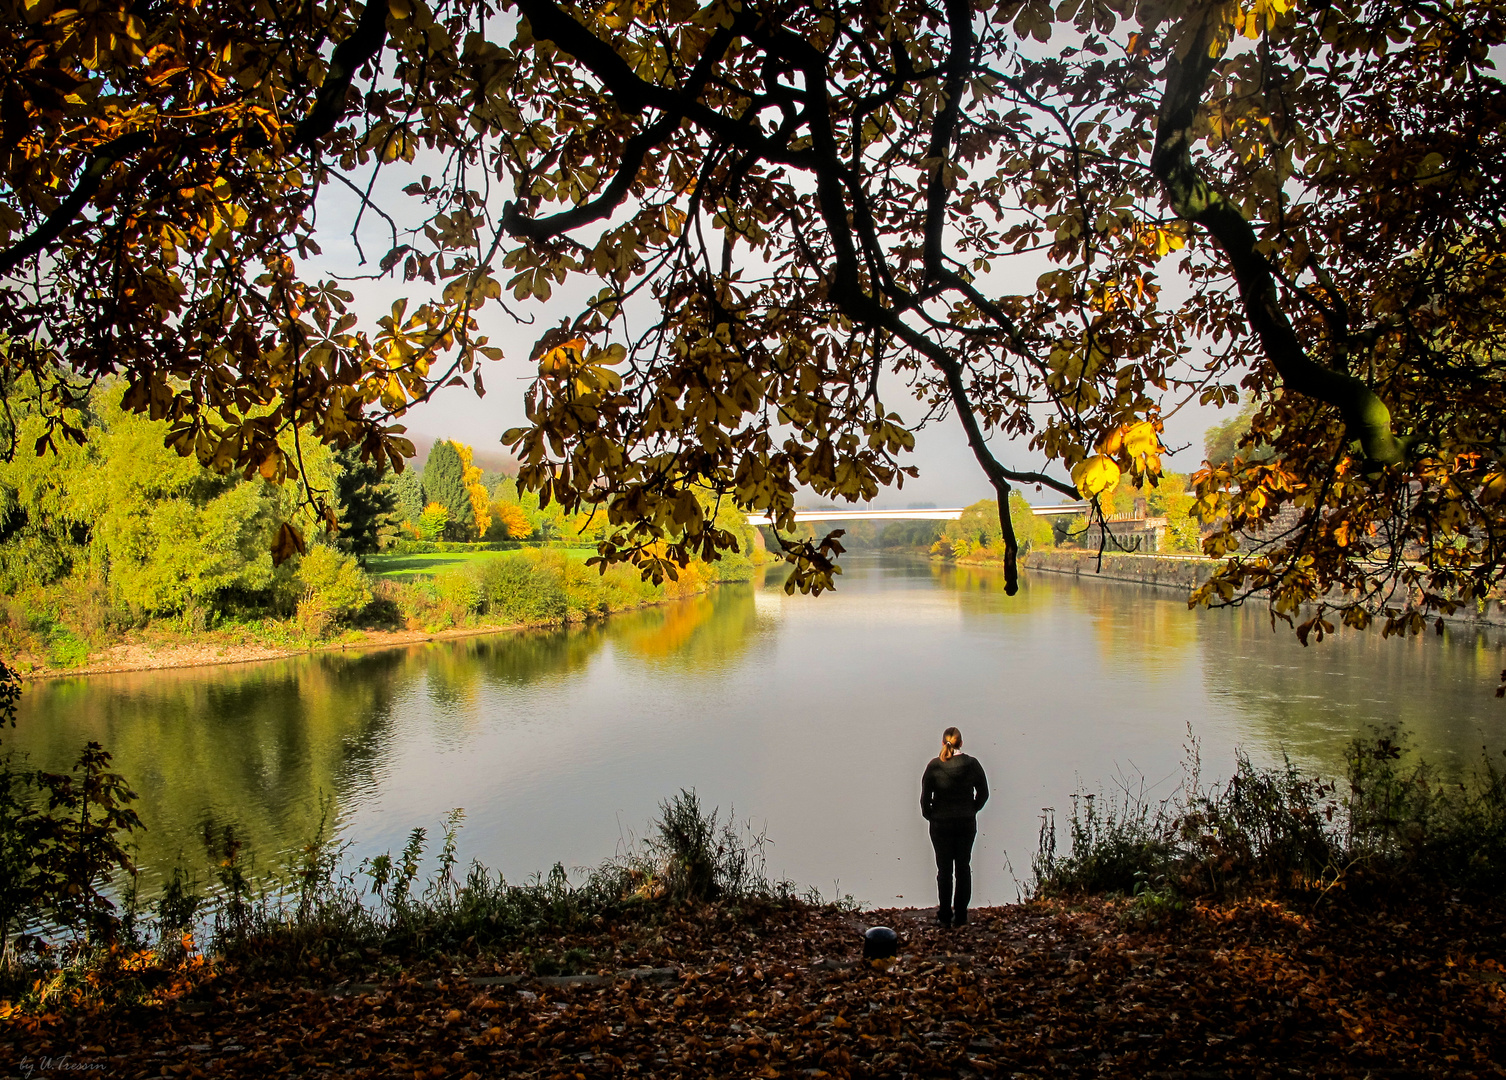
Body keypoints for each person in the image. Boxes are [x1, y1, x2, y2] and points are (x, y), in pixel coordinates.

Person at [920, 726, 989, 928]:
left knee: (944, 870)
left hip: (941, 824)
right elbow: (983, 793)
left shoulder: (934, 766)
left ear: (943, 743)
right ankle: (960, 915)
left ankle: (944, 914)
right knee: (963, 868)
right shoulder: (972, 764)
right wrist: (971, 809)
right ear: (962, 743)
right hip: (965, 823)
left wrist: (932, 816)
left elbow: (925, 800)